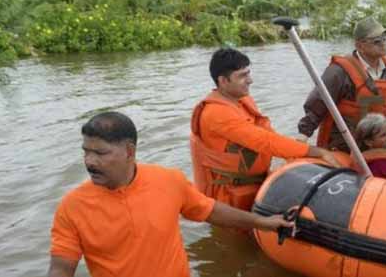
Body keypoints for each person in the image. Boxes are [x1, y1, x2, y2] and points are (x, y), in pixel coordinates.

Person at [48, 112, 294, 277]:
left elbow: (211, 211)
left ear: (129, 151)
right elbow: (60, 269)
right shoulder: (73, 206)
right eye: (85, 152)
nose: (89, 161)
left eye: (100, 153)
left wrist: (264, 223)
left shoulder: (168, 181)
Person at [191, 48, 340, 212]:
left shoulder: (242, 99)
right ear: (223, 81)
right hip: (228, 195)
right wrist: (316, 152)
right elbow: (265, 142)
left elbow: (270, 136)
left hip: (255, 183)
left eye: (248, 73)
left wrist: (295, 151)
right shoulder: (216, 114)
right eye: (242, 76)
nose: (250, 80)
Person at [298, 17, 386, 151]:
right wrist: (304, 135)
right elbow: (318, 103)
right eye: (376, 41)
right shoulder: (338, 72)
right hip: (348, 142)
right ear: (359, 46)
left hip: (379, 139)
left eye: (384, 38)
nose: (383, 44)